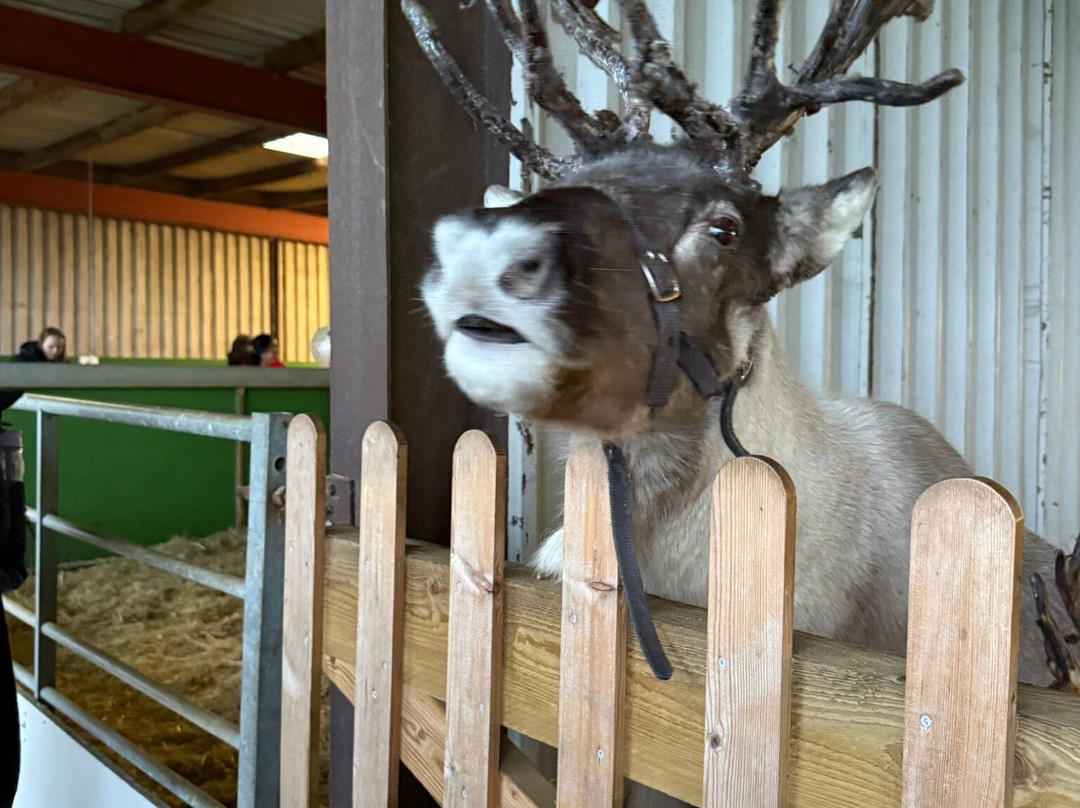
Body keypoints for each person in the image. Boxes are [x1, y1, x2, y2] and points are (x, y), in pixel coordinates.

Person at [0, 327, 68, 413]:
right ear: (41, 345)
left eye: (59, 347)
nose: (55, 351)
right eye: (50, 347)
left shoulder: (60, 367)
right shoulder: (24, 363)